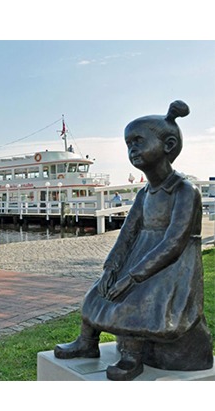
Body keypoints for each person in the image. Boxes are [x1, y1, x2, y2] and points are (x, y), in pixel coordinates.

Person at [54, 100, 213, 380]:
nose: (132, 149)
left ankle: (132, 356)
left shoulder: (185, 192)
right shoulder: (144, 194)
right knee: (98, 291)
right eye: (128, 144)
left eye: (138, 141)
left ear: (168, 144)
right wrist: (111, 268)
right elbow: (127, 233)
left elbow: (174, 243)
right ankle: (87, 342)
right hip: (140, 257)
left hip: (172, 266)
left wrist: (134, 277)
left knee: (137, 300)